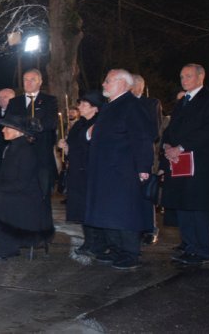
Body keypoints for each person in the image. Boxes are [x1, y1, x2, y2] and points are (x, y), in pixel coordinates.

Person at [85, 69, 153, 270]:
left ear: (123, 83)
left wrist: (143, 167)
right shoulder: (110, 107)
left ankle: (130, 252)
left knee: (125, 211)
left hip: (123, 169)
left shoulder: (132, 106)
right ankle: (115, 248)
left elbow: (143, 137)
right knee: (109, 212)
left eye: (108, 81)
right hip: (105, 169)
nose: (104, 85)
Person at [161, 64, 209, 265]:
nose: (184, 80)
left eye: (188, 76)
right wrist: (167, 145)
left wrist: (180, 147)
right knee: (183, 204)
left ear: (201, 77)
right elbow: (171, 128)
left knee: (198, 206)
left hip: (199, 162)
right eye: (181, 76)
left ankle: (204, 250)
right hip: (178, 161)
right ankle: (189, 247)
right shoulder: (183, 101)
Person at [0, 115, 54, 260]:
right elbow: (2, 177)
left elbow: (22, 183)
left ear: (19, 132)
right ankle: (5, 243)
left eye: (7, 127)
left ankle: (5, 247)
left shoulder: (26, 151)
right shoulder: (12, 148)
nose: (3, 130)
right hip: (12, 193)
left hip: (26, 197)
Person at [56, 91, 103, 255]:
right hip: (77, 171)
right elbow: (73, 146)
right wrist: (65, 147)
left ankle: (98, 242)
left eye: (84, 104)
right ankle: (88, 241)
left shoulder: (99, 123)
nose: (79, 107)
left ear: (95, 108)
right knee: (82, 209)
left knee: (92, 208)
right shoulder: (79, 124)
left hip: (91, 172)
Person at [6, 69, 59, 196]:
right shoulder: (14, 102)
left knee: (42, 189)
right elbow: (9, 122)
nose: (28, 83)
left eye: (32, 79)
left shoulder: (49, 100)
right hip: (20, 152)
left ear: (40, 82)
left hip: (41, 152)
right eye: (25, 80)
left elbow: (51, 122)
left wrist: (30, 127)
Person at [131, 74, 164, 245]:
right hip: (125, 155)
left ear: (139, 86)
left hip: (142, 153)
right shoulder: (120, 103)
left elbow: (154, 131)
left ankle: (149, 228)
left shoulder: (150, 103)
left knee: (145, 192)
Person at [0, 88, 16, 170]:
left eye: (5, 97)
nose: (1, 99)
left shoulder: (17, 113)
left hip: (11, 146)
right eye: (0, 97)